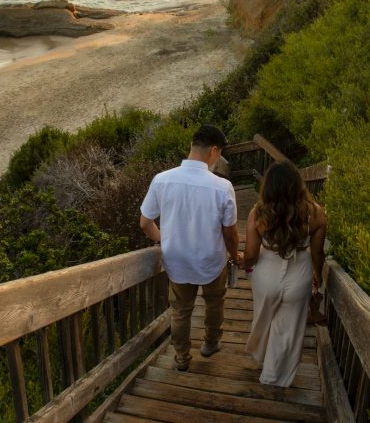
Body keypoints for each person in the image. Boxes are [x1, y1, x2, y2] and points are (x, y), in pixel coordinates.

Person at [139, 124, 240, 371]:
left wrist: (165, 240)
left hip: (177, 261)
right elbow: (230, 232)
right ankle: (210, 343)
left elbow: (145, 222)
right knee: (215, 302)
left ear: (192, 146)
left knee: (181, 310)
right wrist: (235, 255)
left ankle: (182, 357)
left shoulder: (162, 180)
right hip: (211, 261)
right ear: (214, 151)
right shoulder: (222, 187)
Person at [242, 159, 326, 387]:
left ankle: (260, 353)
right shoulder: (316, 213)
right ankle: (274, 377)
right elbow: (317, 253)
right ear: (298, 185)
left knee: (264, 316)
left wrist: (244, 264)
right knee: (288, 329)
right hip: (299, 272)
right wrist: (318, 274)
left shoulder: (257, 213)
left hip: (266, 273)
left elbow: (250, 254)